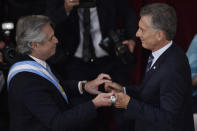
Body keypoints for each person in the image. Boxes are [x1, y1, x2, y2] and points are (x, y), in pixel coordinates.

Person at [7, 15, 115, 131]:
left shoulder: (33, 61)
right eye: (51, 38)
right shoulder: (27, 81)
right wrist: (94, 104)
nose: (56, 41)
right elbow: (57, 122)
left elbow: (55, 88)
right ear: (34, 45)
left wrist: (84, 86)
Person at [105, 3, 194, 131]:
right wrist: (124, 91)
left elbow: (169, 120)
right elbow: (151, 91)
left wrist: (129, 104)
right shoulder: (161, 53)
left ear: (159, 35)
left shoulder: (173, 68)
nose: (136, 34)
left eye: (142, 30)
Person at [45, 0, 138, 85]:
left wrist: (132, 39)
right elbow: (47, 24)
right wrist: (65, 9)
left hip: (109, 59)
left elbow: (128, 13)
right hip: (73, 61)